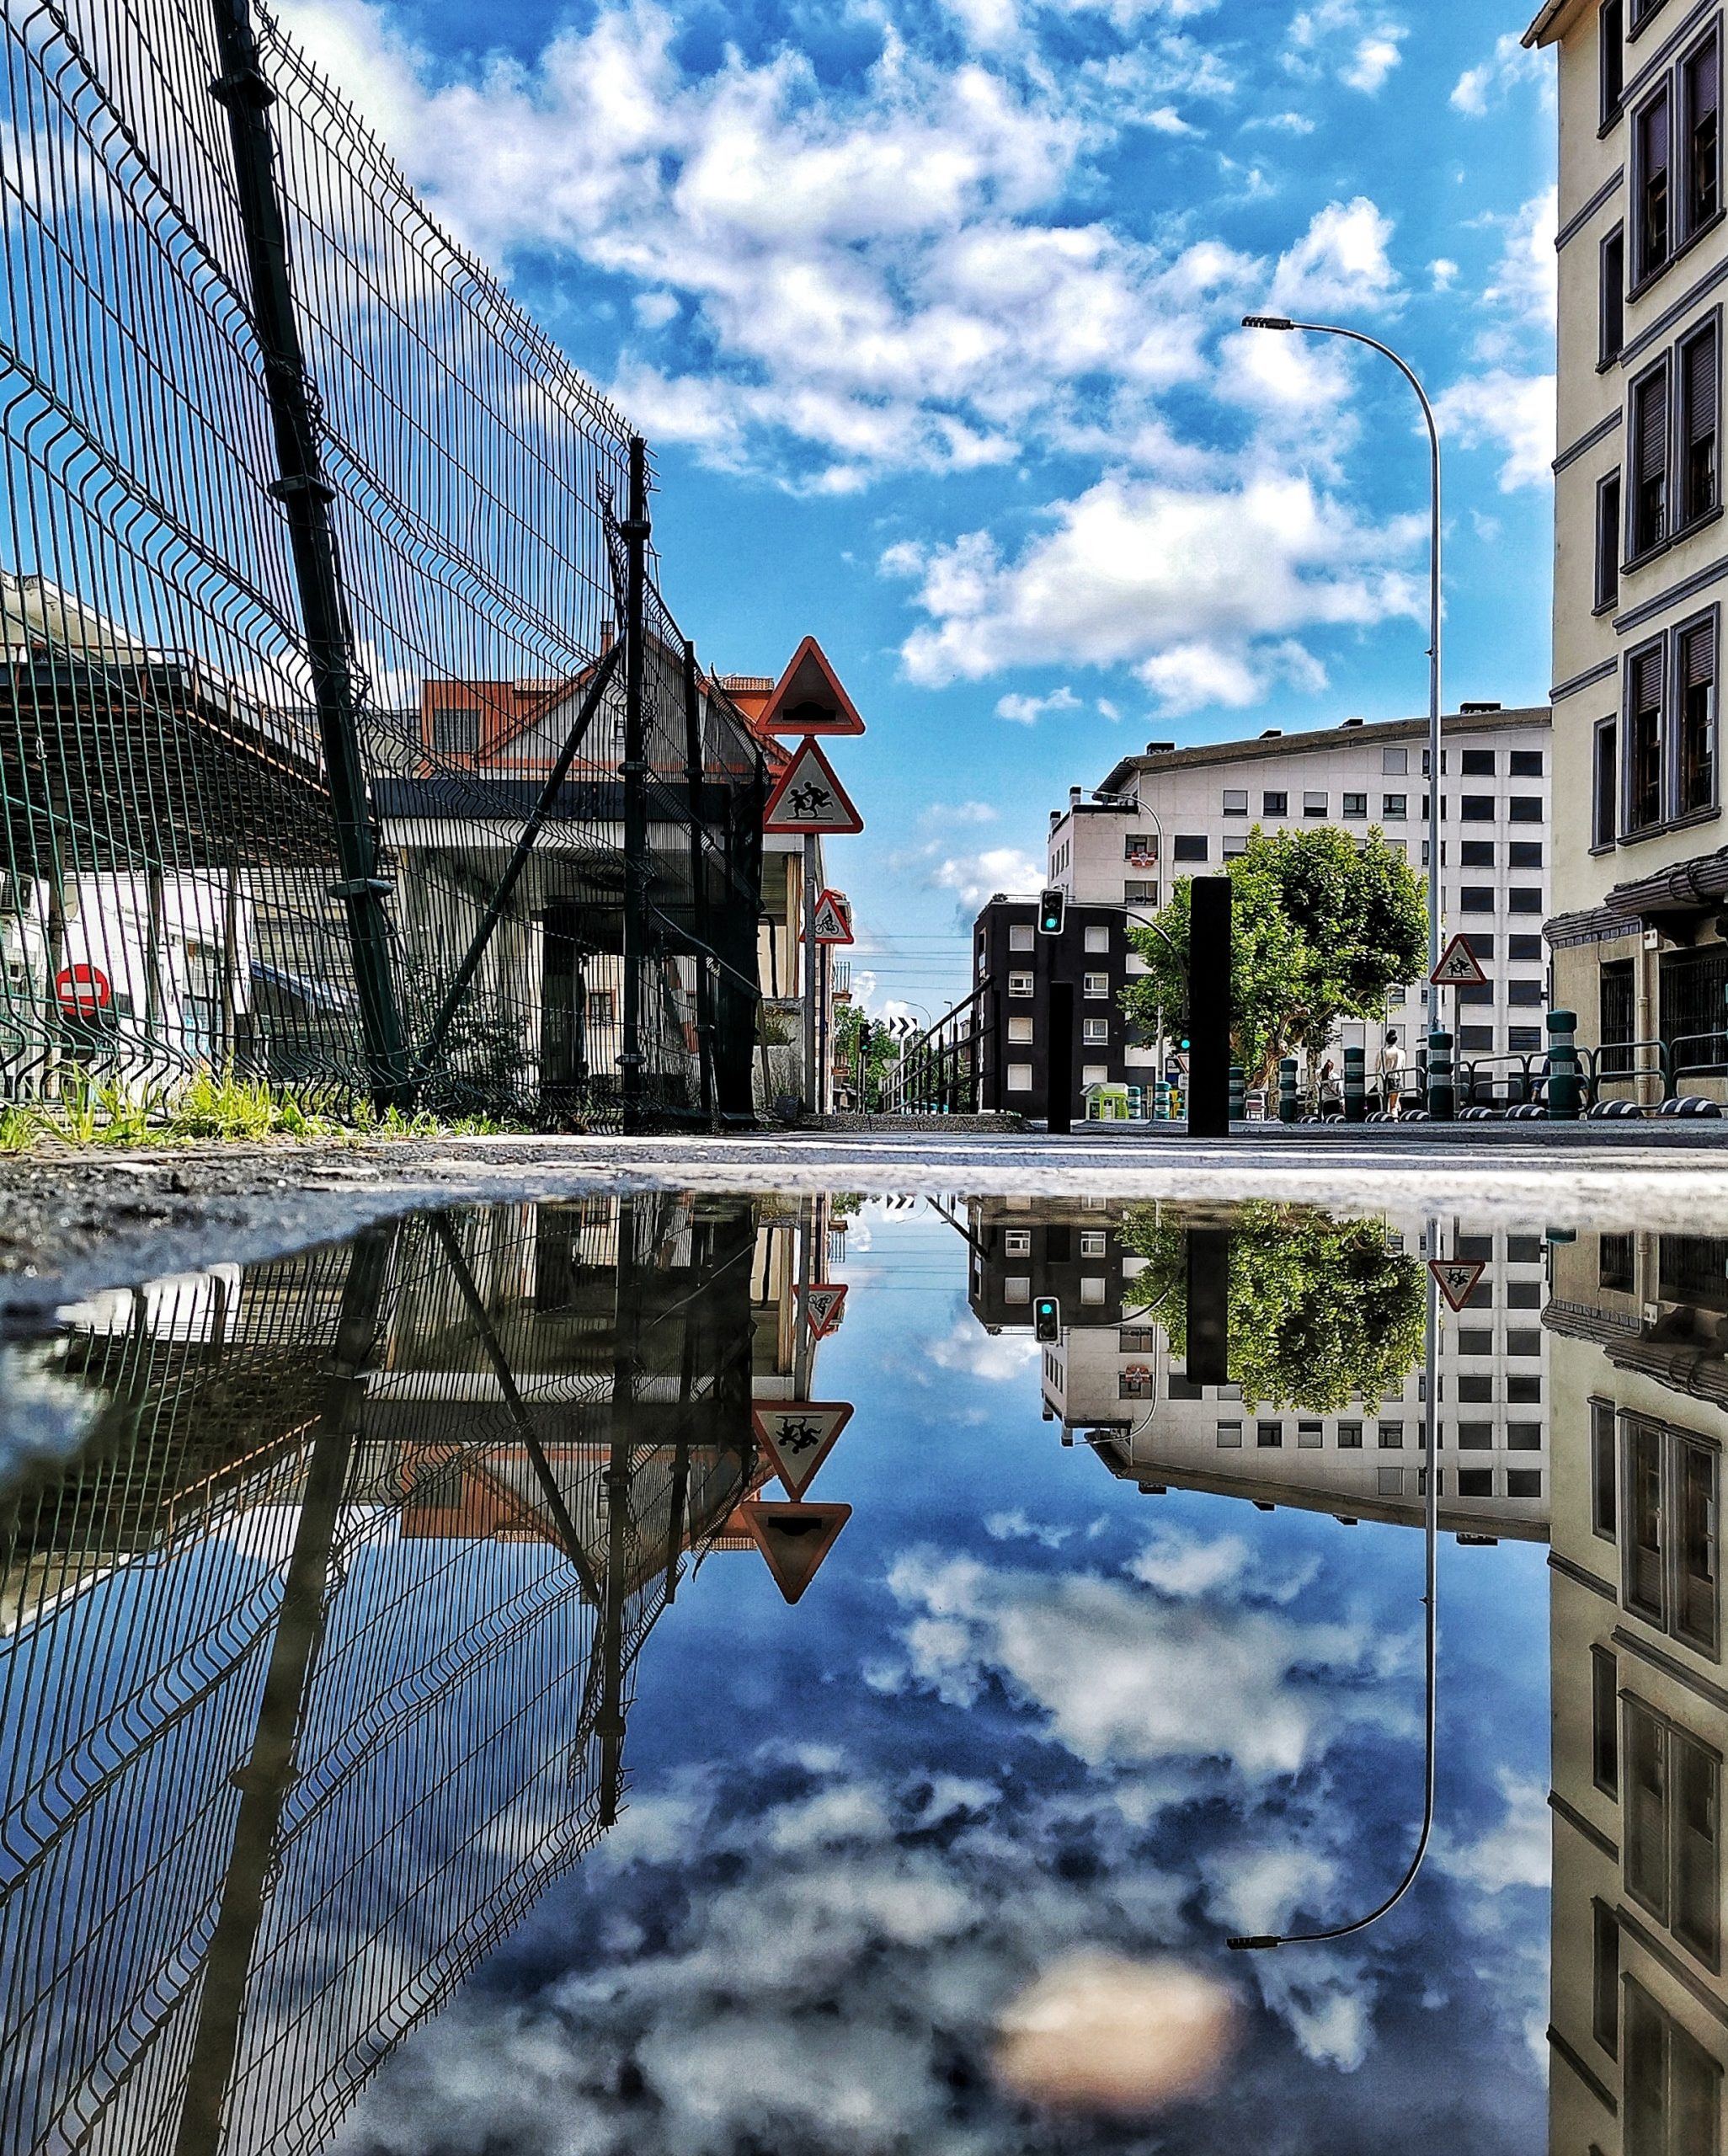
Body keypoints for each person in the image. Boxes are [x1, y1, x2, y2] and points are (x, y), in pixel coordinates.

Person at [1377, 1029, 1403, 1116]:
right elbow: (1402, 1068)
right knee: (1394, 1105)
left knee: (1384, 1103)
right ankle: (1395, 1119)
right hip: (1397, 1079)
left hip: (1384, 1079)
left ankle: (1385, 1118)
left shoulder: (1382, 1052)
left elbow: (1377, 1067)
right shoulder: (1401, 1053)